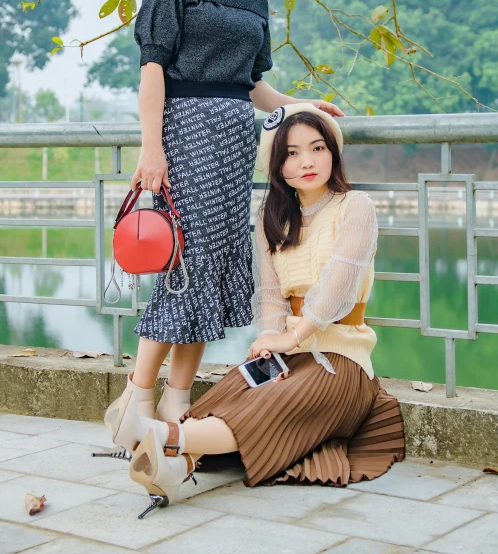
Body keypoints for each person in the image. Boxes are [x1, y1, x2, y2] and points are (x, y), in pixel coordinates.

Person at [103, 0, 344, 455]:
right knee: (186, 264)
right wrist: (151, 147)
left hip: (236, 140)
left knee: (213, 267)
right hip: (184, 133)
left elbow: (252, 83)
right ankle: (136, 403)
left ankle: (175, 407)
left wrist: (301, 106)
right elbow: (153, 70)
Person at [122, 104, 405, 519]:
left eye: (318, 147)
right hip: (287, 354)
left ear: (333, 153)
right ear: (277, 165)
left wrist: (291, 337)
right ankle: (176, 459)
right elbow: (271, 296)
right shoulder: (271, 216)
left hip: (342, 361)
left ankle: (163, 438)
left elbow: (337, 289)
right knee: (229, 399)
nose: (306, 161)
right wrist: (273, 346)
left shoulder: (355, 206)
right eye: (291, 153)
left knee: (274, 406)